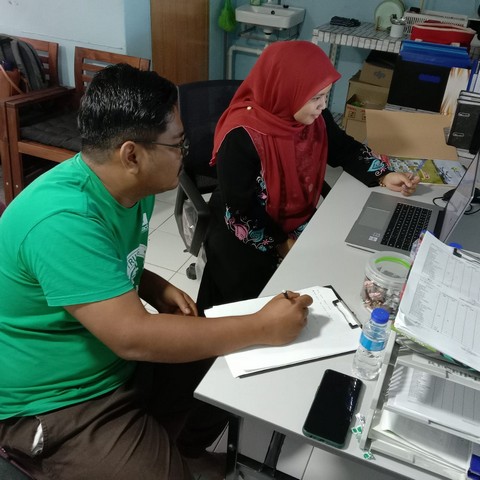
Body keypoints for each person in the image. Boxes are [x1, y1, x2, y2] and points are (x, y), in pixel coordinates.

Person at [0, 64, 313, 480]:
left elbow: (103, 258)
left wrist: (150, 284)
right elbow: (132, 336)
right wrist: (262, 326)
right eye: (178, 144)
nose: (185, 154)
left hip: (108, 360)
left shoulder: (127, 186)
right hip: (55, 398)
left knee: (217, 355)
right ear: (132, 155)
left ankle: (182, 449)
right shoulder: (61, 220)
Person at [196, 41, 420, 313]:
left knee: (328, 279)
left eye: (325, 95)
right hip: (246, 229)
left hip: (294, 218)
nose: (323, 105)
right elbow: (241, 207)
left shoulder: (313, 118)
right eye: (316, 97)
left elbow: (343, 147)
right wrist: (281, 243)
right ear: (286, 91)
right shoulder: (241, 135)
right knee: (255, 307)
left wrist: (385, 175)